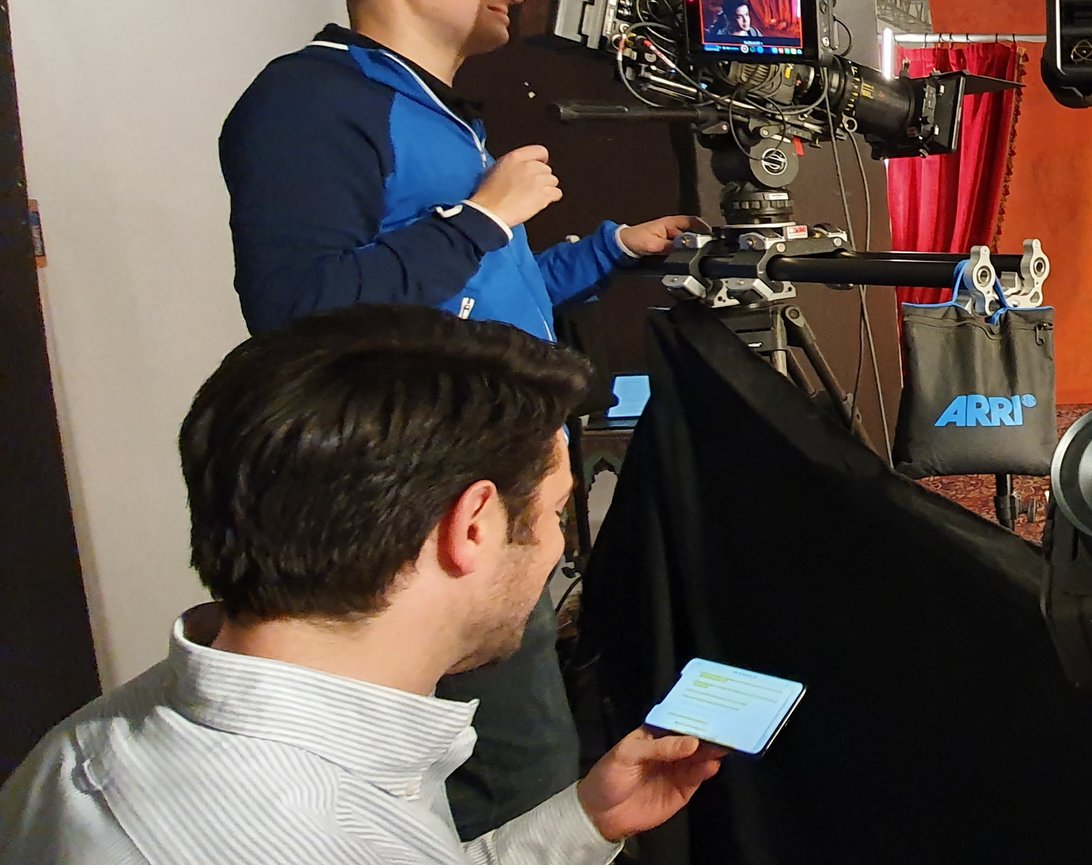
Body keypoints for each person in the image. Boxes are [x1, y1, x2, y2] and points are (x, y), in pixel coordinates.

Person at [217, 0, 701, 838]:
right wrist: (482, 214)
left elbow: (481, 295)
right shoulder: (311, 99)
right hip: (422, 495)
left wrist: (615, 247)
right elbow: (295, 309)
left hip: (503, 478)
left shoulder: (444, 116)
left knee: (519, 749)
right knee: (517, 765)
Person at [0, 306, 726, 865]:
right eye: (554, 512)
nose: (558, 547)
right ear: (472, 525)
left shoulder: (77, 752)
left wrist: (580, 821)